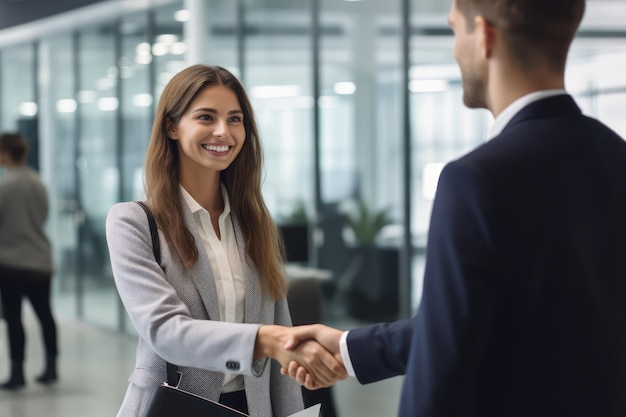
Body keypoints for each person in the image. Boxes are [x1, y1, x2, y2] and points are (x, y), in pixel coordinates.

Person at [283, 0, 626, 416]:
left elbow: (441, 373)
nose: (454, 48)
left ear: (483, 36)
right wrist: (351, 348)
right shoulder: (615, 155)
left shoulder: (476, 179)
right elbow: (516, 320)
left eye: (454, 30)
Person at [105, 64, 345, 417]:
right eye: (206, 117)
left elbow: (281, 336)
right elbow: (166, 332)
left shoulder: (254, 222)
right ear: (171, 127)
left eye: (235, 119)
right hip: (176, 407)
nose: (223, 131)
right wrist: (269, 341)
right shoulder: (133, 221)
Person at [0, 132, 58, 390]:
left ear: (5, 153)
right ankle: (51, 367)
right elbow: (42, 217)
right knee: (45, 315)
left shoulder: (5, 185)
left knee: (14, 319)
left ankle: (17, 372)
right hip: (39, 259)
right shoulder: (37, 182)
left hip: (11, 262)